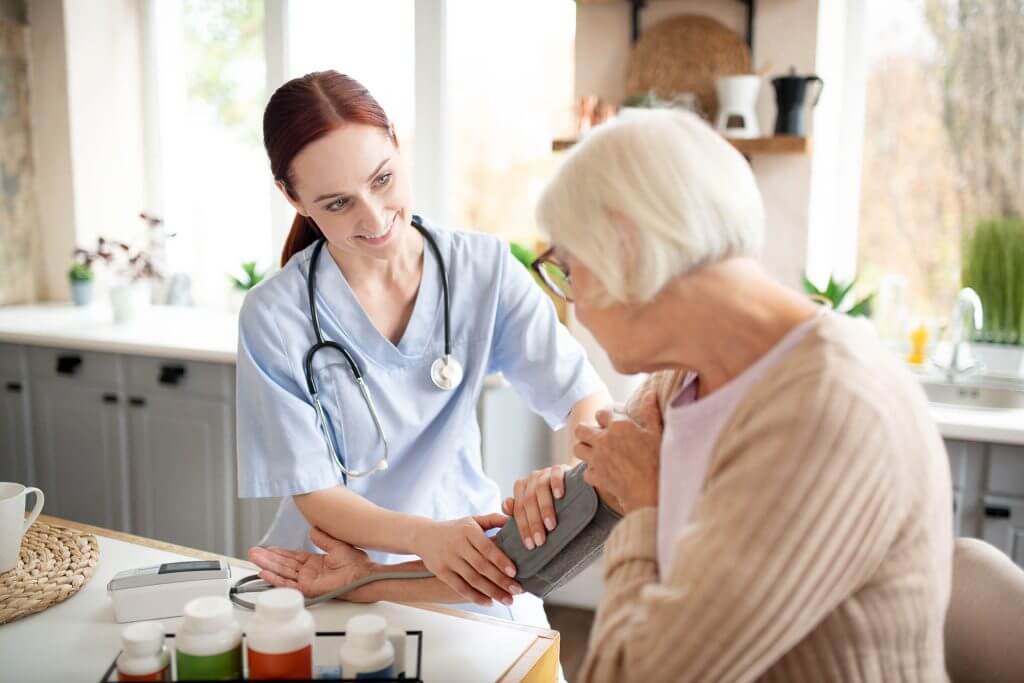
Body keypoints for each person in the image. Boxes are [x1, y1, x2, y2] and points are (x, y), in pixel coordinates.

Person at [533, 108, 953, 681]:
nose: (572, 300)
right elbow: (598, 489)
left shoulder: (828, 412)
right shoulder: (681, 377)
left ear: (627, 250)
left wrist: (644, 505)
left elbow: (629, 672)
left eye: (568, 267)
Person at [236, 70, 608, 627]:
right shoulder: (275, 315)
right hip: (333, 572)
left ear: (397, 146)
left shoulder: (484, 270)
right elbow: (315, 492)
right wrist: (423, 537)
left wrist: (565, 480)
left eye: (382, 180)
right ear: (293, 198)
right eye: (337, 204)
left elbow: (583, 398)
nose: (373, 216)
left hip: (466, 563)